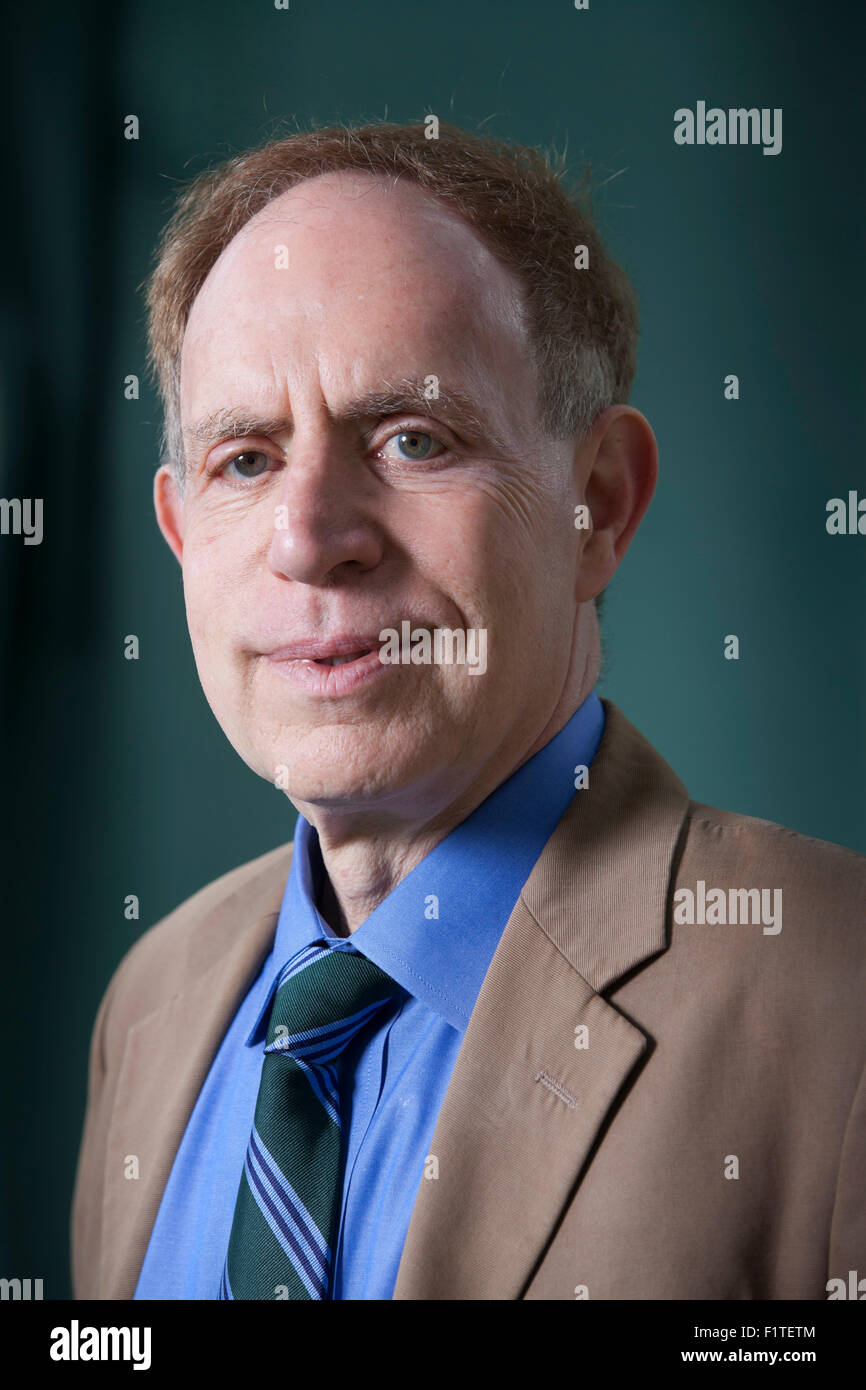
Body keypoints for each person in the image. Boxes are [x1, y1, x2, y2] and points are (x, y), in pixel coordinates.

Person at [71, 120, 865, 1301]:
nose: (308, 538)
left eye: (411, 438)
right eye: (244, 459)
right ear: (181, 531)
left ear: (594, 504)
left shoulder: (833, 998)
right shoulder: (149, 1003)